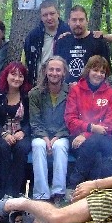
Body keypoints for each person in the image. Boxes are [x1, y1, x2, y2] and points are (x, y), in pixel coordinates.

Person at [65, 55, 112, 187]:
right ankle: (92, 192)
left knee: (93, 142)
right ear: (88, 70)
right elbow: (70, 119)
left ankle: (74, 182)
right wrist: (90, 128)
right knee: (97, 157)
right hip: (77, 138)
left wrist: (87, 133)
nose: (98, 74)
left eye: (102, 72)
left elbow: (110, 123)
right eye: (95, 70)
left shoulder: (110, 93)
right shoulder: (76, 90)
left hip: (103, 138)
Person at [0, 62, 32, 196]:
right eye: (13, 74)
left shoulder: (27, 95)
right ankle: (0, 190)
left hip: (21, 133)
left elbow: (33, 119)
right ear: (6, 75)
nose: (16, 78)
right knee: (2, 147)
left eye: (20, 76)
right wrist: (3, 134)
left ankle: (13, 192)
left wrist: (23, 131)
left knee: (22, 149)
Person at [29, 56, 71, 202]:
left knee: (60, 147)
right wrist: (45, 138)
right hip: (41, 135)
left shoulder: (72, 91)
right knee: (37, 145)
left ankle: (58, 193)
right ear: (46, 71)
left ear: (64, 72)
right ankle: (41, 194)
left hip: (63, 135)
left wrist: (57, 137)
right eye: (51, 69)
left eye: (58, 70)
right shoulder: (35, 93)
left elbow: (71, 119)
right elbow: (35, 121)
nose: (54, 73)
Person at [54, 6, 112, 84]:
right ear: (69, 22)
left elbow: (107, 72)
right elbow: (55, 68)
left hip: (91, 92)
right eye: (74, 20)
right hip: (66, 92)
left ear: (87, 21)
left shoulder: (98, 41)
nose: (78, 23)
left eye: (81, 20)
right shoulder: (62, 42)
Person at [23, 0, 70, 85]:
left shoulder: (69, 33)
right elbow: (26, 61)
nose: (49, 18)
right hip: (39, 83)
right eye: (45, 15)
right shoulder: (33, 36)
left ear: (58, 14)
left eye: (52, 13)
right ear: (41, 17)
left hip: (63, 84)